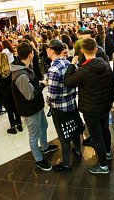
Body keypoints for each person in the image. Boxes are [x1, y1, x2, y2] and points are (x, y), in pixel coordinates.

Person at [64, 38, 114, 174]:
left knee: (96, 135)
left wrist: (71, 65)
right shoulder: (105, 65)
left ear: (82, 51)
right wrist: (110, 101)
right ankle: (108, 152)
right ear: (96, 50)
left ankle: (103, 165)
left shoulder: (83, 70)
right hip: (105, 105)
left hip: (90, 109)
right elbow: (112, 86)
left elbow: (68, 82)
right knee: (105, 129)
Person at [11, 41, 58, 171]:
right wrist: (43, 84)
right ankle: (39, 159)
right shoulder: (21, 75)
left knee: (44, 125)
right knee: (33, 135)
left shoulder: (25, 68)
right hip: (29, 109)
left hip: (36, 106)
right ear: (31, 54)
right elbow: (30, 95)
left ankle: (45, 147)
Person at [46, 39, 82, 171]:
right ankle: (78, 150)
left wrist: (48, 101)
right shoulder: (68, 63)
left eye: (47, 49)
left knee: (63, 135)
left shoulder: (53, 69)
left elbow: (52, 94)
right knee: (74, 128)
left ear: (52, 51)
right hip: (72, 103)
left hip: (60, 107)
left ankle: (66, 163)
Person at [0, 52, 22, 134]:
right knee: (16, 108)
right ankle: (19, 124)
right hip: (12, 92)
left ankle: (12, 127)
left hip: (3, 93)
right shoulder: (11, 69)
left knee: (9, 111)